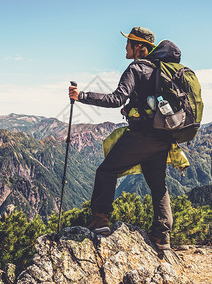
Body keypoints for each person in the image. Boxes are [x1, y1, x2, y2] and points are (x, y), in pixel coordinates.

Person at [68, 26, 181, 250]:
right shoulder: (161, 70)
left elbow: (116, 99)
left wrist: (81, 96)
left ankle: (101, 221)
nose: (125, 46)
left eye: (128, 42)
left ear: (139, 46)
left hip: (142, 136)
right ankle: (162, 235)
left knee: (106, 171)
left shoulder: (136, 68)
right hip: (163, 136)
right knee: (158, 186)